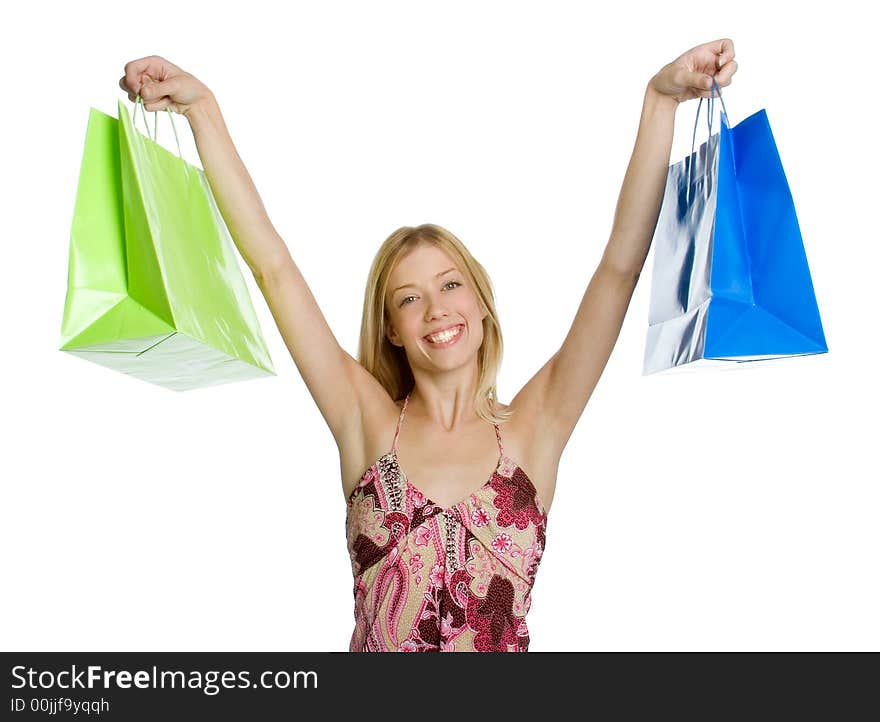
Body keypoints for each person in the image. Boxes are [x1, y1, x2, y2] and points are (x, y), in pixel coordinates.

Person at [119, 39, 737, 652]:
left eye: (450, 285)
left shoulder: (535, 427)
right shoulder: (364, 422)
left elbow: (619, 269)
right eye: (409, 298)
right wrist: (202, 109)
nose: (436, 309)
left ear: (480, 303)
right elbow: (273, 269)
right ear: (391, 326)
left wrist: (660, 103)